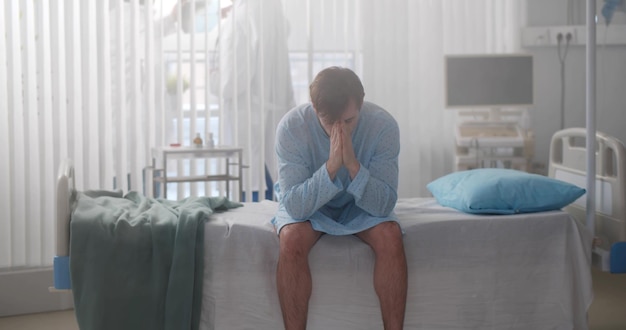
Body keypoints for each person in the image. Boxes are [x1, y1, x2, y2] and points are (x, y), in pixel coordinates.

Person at [272, 66, 407, 329]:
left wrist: (353, 166)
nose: (340, 131)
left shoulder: (383, 126)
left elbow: (384, 204)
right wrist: (332, 167)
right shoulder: (291, 128)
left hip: (361, 207)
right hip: (311, 208)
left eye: (348, 121)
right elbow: (296, 207)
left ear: (362, 102)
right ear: (314, 108)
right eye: (330, 123)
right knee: (291, 238)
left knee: (391, 235)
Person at [211, 0, 295, 201]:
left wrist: (214, 76)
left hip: (248, 115)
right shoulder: (273, 13)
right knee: (274, 178)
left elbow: (231, 83)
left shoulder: (238, 20)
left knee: (250, 180)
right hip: (274, 113)